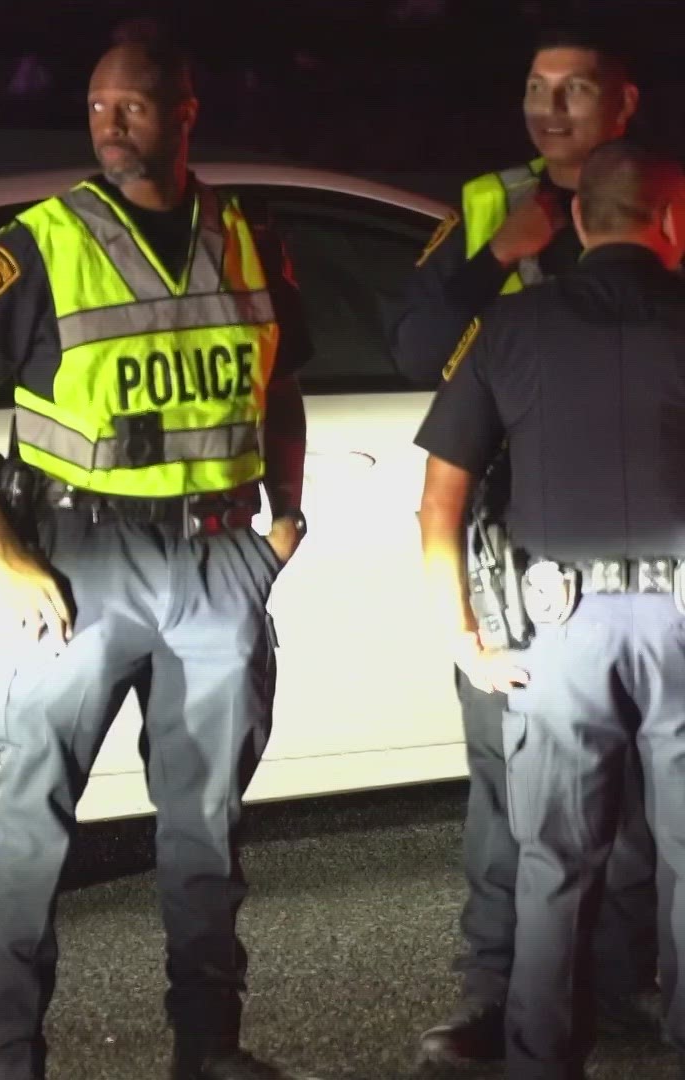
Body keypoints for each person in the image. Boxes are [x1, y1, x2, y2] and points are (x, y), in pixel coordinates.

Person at [0, 32, 315, 1080]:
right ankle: (9, 1056)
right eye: (97, 110)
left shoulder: (247, 230)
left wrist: (287, 518)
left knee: (207, 825)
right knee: (31, 820)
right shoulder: (44, 241)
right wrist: (1, 549)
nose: (111, 126)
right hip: (82, 561)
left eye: (132, 107)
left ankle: (208, 1048)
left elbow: (279, 384)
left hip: (221, 556)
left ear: (186, 112)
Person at [385, 26, 660, 1067]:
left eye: (575, 90)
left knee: (641, 778)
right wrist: (498, 255)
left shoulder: (660, 195)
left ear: (623, 104)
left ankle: (618, 978)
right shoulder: (490, 205)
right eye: (537, 88)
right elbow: (414, 343)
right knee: (513, 771)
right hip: (519, 522)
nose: (551, 109)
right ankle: (495, 992)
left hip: (646, 520)